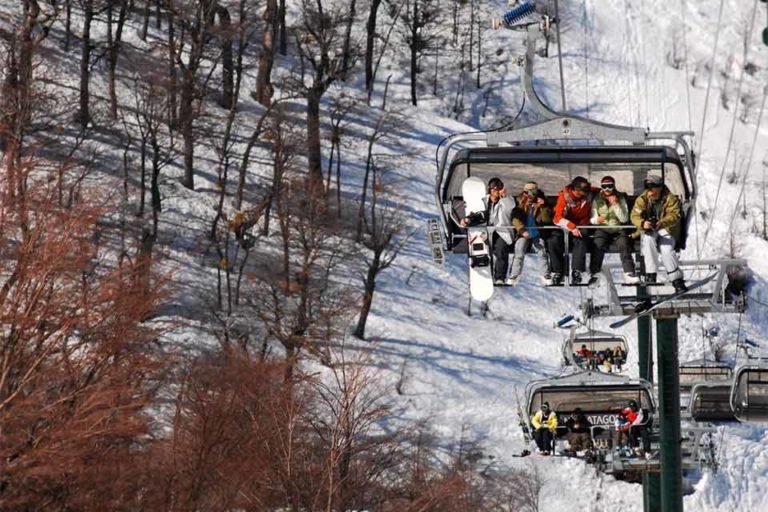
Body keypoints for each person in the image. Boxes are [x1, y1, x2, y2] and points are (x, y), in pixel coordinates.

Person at [460, 177, 524, 285]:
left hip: (501, 231)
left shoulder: (506, 200)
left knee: (501, 248)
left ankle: (500, 277)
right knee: (480, 246)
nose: (496, 191)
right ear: (490, 190)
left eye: (498, 189)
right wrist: (467, 220)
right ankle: (481, 268)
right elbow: (477, 212)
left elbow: (511, 206)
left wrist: (504, 196)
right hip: (485, 230)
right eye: (494, 189)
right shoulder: (484, 201)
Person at [630, 175, 687, 292]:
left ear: (660, 188)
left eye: (653, 188)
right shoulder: (643, 199)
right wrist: (643, 223)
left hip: (667, 229)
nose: (650, 192)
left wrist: (662, 222)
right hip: (649, 229)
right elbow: (634, 216)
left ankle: (676, 280)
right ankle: (651, 274)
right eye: (648, 188)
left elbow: (674, 215)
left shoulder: (670, 199)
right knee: (647, 240)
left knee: (666, 248)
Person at [590, 176, 640, 284]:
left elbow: (624, 218)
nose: (607, 189)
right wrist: (597, 220)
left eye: (610, 186)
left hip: (618, 227)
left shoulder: (620, 198)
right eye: (604, 186)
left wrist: (616, 205)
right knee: (598, 243)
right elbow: (592, 218)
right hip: (603, 228)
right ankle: (595, 274)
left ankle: (629, 272)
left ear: (614, 186)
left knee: (624, 244)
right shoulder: (597, 199)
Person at [549, 176, 597, 285]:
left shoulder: (589, 194)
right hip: (565, 226)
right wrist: (571, 226)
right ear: (574, 189)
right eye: (581, 191)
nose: (583, 193)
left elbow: (604, 191)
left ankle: (577, 271)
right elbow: (557, 218)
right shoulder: (564, 197)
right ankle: (558, 271)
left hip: (581, 226)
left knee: (581, 238)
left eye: (585, 190)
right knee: (553, 241)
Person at [515, 181, 553, 285]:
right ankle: (514, 275)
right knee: (519, 249)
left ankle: (545, 274)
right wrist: (521, 230)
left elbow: (547, 220)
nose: (530, 196)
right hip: (524, 233)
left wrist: (543, 207)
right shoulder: (520, 203)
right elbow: (515, 219)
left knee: (541, 250)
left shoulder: (542, 203)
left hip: (536, 233)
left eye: (533, 193)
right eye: (527, 193)